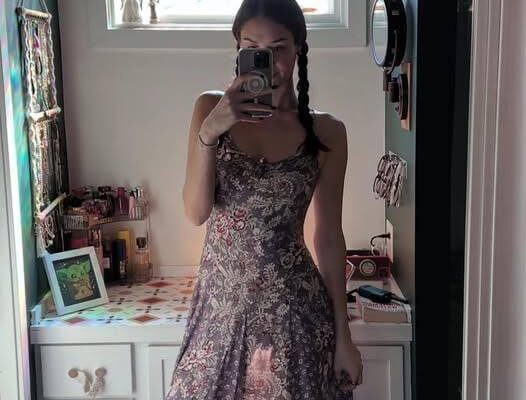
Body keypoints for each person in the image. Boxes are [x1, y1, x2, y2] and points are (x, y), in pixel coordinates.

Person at [165, 0, 363, 398]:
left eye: (279, 48)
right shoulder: (209, 110)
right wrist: (211, 131)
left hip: (296, 317)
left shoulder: (327, 132)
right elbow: (195, 211)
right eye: (253, 47)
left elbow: (328, 237)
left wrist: (344, 336)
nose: (268, 61)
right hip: (220, 315)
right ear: (238, 48)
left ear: (299, 48)